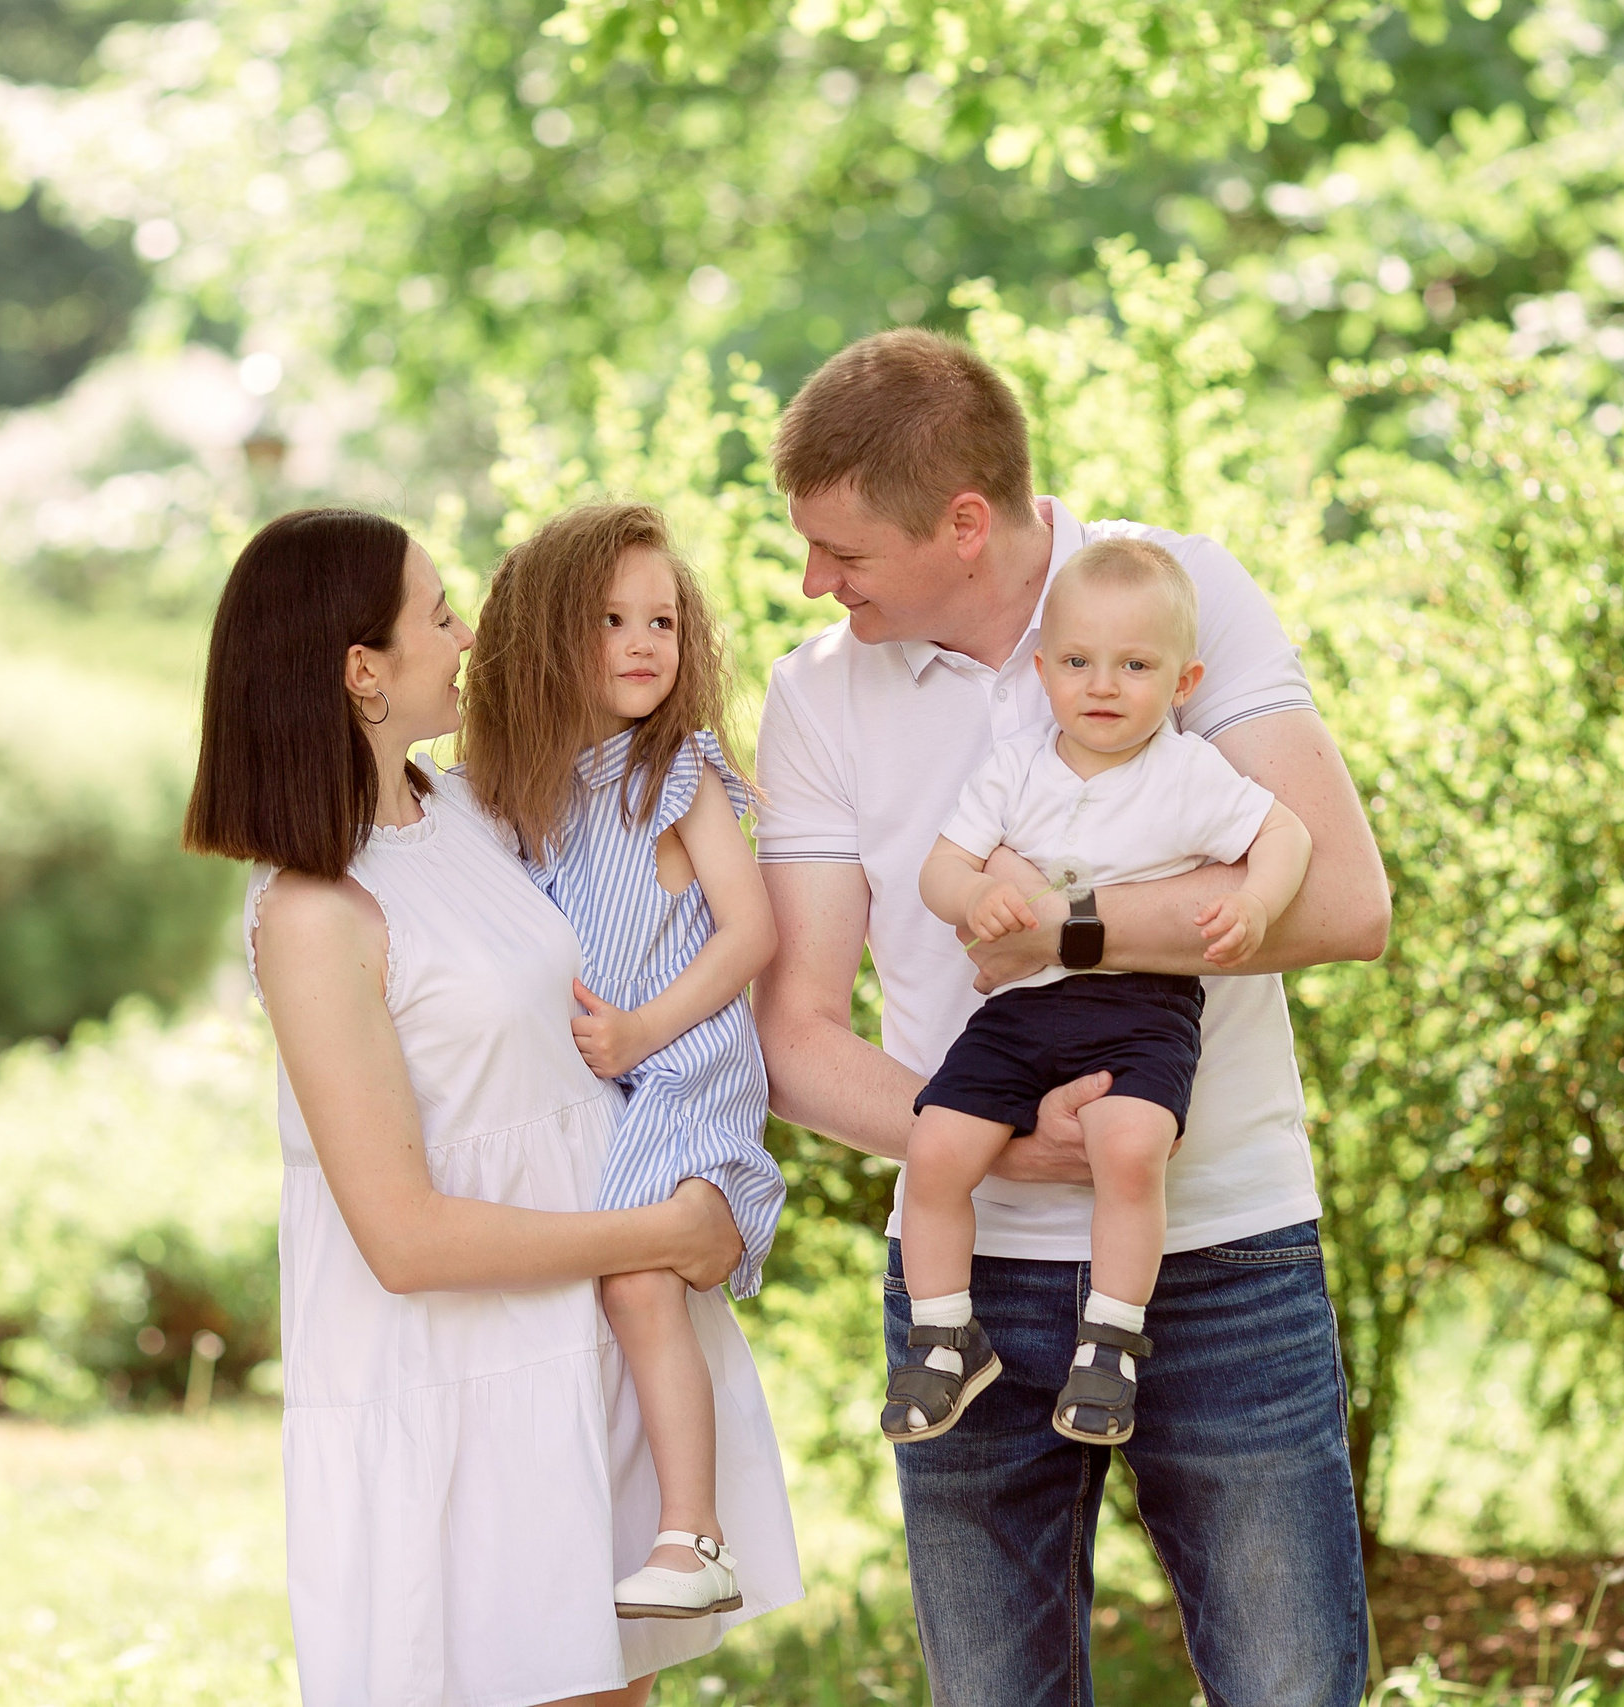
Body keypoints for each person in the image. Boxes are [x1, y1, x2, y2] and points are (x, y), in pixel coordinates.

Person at [750, 331, 1392, 1707]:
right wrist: (1003, 1144)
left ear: (964, 524)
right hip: (960, 1282)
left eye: (843, 549)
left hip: (1224, 1251)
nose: (815, 580)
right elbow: (793, 1033)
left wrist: (1067, 931)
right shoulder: (815, 694)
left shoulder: (1177, 590)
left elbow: (1341, 897)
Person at [183, 508, 801, 1707]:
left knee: (617, 1691)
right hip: (459, 1381)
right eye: (438, 613)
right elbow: (403, 1239)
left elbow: (643, 952)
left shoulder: (470, 813)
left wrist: (707, 1173)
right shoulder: (317, 913)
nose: (468, 636)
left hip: (579, 1343)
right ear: (362, 671)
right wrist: (655, 1237)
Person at [886, 536, 1313, 1449]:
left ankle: (1111, 1339)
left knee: (1130, 1144)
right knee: (932, 1147)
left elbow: (1285, 836)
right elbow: (939, 868)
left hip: (1141, 1008)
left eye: (1135, 665)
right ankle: (944, 1329)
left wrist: (1257, 902)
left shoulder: (1188, 773)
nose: (1103, 685)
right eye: (1078, 662)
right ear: (1043, 671)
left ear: (1183, 679)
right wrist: (977, 896)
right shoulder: (1016, 770)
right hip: (1017, 1012)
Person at [461, 502, 791, 1621]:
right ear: (548, 637)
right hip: (603, 1080)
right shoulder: (512, 789)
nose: (647, 641)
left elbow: (750, 933)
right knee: (595, 1292)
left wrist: (646, 1030)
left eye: (663, 619)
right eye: (612, 620)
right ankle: (609, 1534)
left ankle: (692, 1537)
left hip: (683, 1061)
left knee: (637, 1275)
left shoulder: (676, 774)